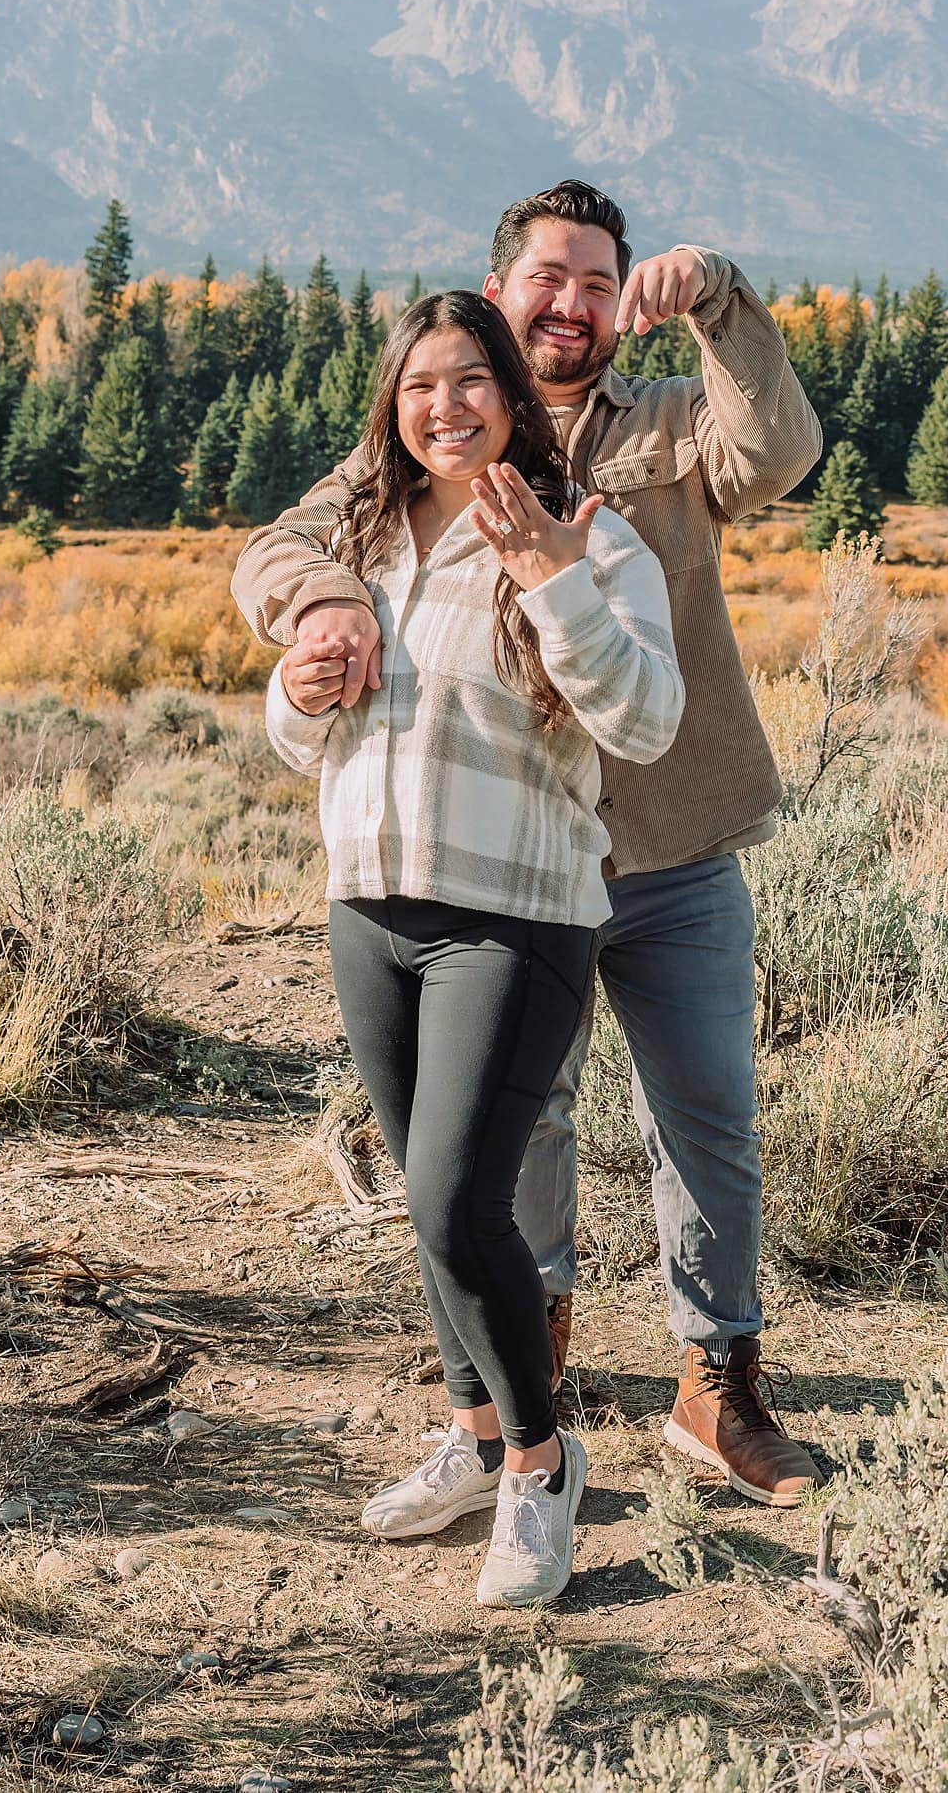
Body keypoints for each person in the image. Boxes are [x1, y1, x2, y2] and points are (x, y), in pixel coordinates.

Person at [234, 181, 825, 1506]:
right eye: (547, 278)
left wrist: (722, 302)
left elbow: (778, 454)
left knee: (710, 1116)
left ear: (625, 302)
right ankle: (529, 1365)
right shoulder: (439, 437)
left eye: (598, 283)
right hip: (498, 865)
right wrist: (328, 604)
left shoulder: (672, 422)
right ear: (499, 293)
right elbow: (279, 545)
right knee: (521, 1131)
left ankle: (717, 1384)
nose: (571, 303)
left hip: (671, 842)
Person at [263, 288, 681, 1606]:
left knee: (457, 1198)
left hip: (520, 911)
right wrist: (297, 684)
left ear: (513, 396)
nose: (444, 404)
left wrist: (552, 577)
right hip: (370, 908)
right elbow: (302, 741)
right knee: (431, 1211)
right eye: (419, 385)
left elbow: (647, 719)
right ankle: (472, 1429)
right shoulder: (367, 541)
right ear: (392, 406)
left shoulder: (595, 538)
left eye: (470, 381)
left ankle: (541, 1467)